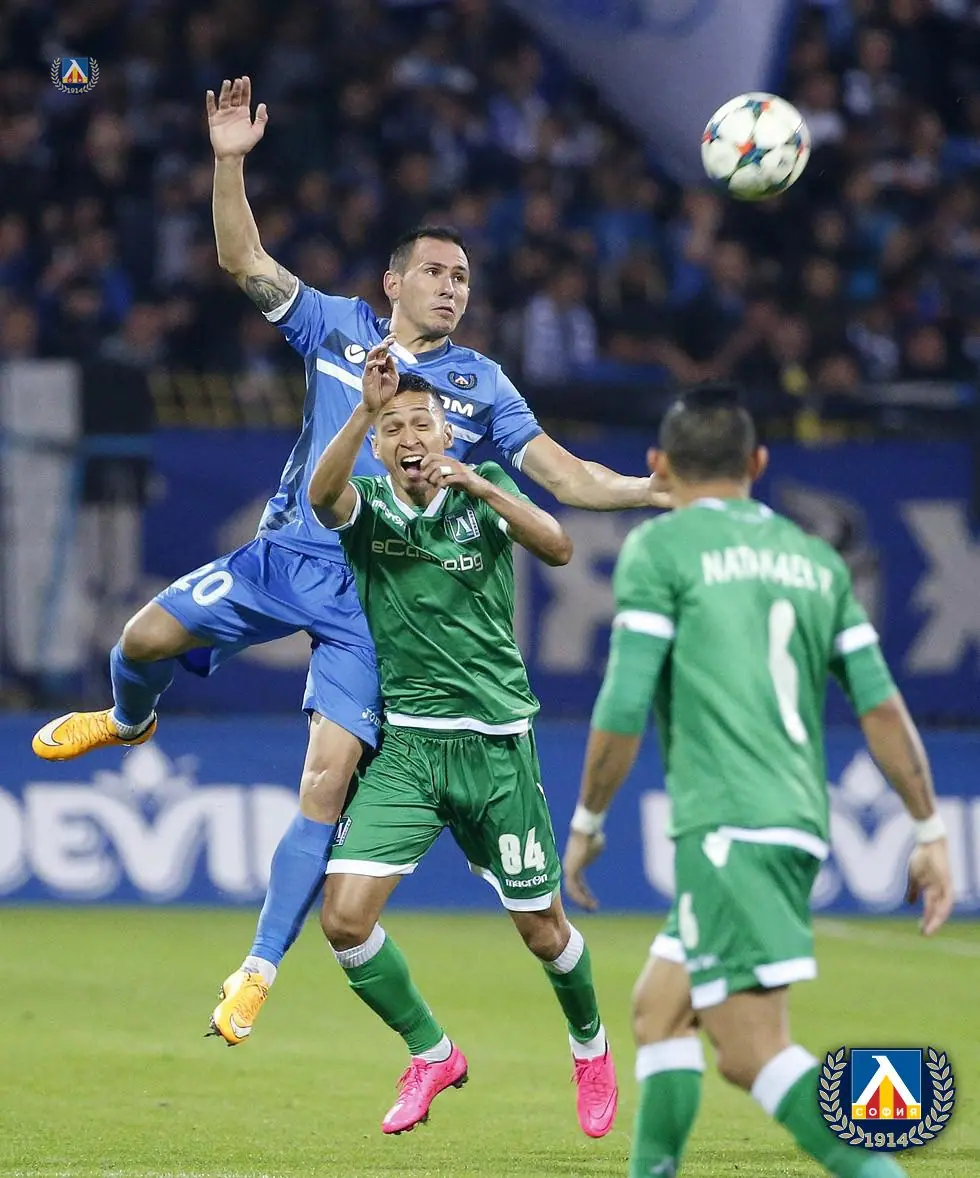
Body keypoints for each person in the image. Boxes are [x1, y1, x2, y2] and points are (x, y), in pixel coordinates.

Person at [30, 78, 663, 1044]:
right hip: (282, 556)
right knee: (139, 641)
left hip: (369, 598)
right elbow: (241, 259)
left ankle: (256, 971)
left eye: (464, 278)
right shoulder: (336, 327)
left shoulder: (480, 385)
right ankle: (127, 721)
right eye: (436, 271)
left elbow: (564, 475)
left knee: (324, 784)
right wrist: (229, 163)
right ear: (392, 282)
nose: (452, 287)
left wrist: (652, 491)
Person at [561, 385, 953, 1178]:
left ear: (659, 465)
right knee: (660, 1011)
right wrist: (929, 829)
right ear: (759, 463)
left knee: (753, 1052)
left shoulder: (661, 549)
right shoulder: (817, 561)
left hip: (729, 826)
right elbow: (881, 708)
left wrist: (588, 821)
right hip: (794, 818)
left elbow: (624, 704)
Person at [307, 342, 617, 1138]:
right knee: (343, 920)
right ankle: (432, 1053)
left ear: (447, 435)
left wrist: (483, 483)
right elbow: (319, 494)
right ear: (380, 446)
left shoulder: (483, 494)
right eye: (394, 428)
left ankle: (590, 1047)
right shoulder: (366, 506)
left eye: (423, 423)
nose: (410, 436)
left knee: (543, 932)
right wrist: (362, 410)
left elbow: (559, 546)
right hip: (411, 751)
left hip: (497, 749)